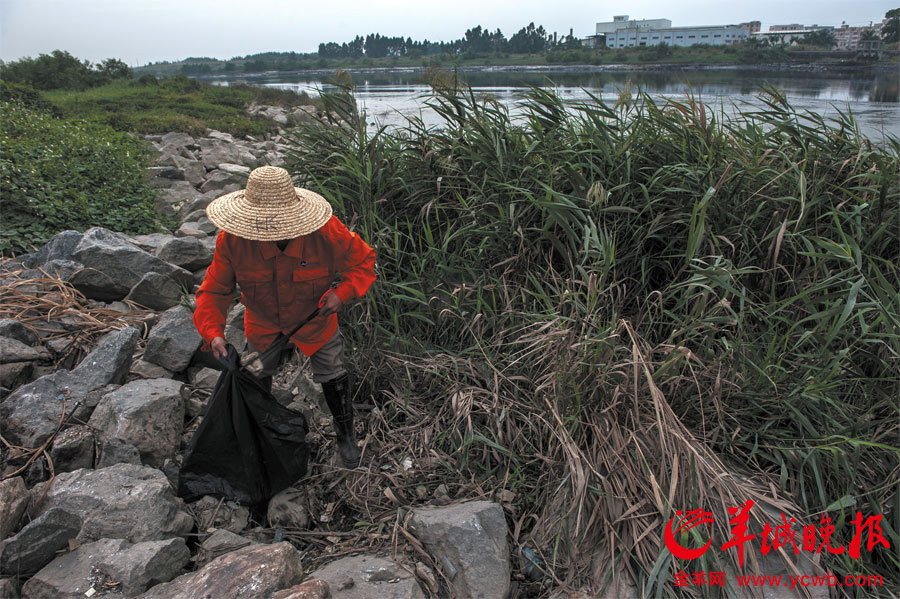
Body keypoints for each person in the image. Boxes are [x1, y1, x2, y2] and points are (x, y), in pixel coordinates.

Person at [193, 165, 376, 468]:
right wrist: (213, 334)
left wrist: (341, 294)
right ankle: (262, 433)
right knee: (255, 377)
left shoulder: (326, 230)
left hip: (315, 321)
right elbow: (213, 292)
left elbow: (364, 262)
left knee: (333, 372)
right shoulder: (232, 241)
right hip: (264, 324)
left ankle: (345, 434)